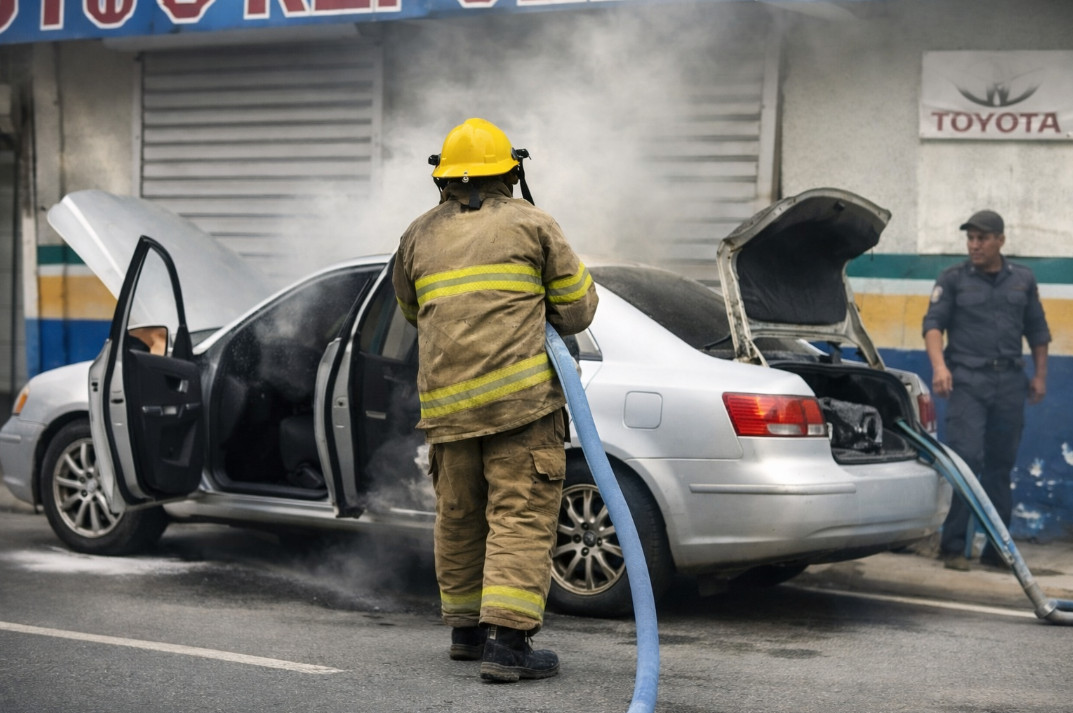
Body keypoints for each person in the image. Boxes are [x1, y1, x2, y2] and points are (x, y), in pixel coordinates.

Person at [392, 118, 598, 683]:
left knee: (458, 517)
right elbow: (579, 309)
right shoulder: (534, 224)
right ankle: (508, 645)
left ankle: (465, 633)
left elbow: (411, 311)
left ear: (445, 178)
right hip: (521, 409)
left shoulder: (417, 235)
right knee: (518, 516)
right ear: (512, 171)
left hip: (447, 412)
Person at [922, 209, 1050, 571]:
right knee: (965, 460)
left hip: (1010, 383)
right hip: (968, 382)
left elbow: (1038, 333)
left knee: (999, 466)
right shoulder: (953, 279)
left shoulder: (1022, 280)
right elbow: (933, 326)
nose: (974, 245)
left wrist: (1040, 376)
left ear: (1000, 241)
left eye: (982, 238)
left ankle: (997, 551)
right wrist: (939, 367)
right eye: (971, 238)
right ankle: (953, 547)